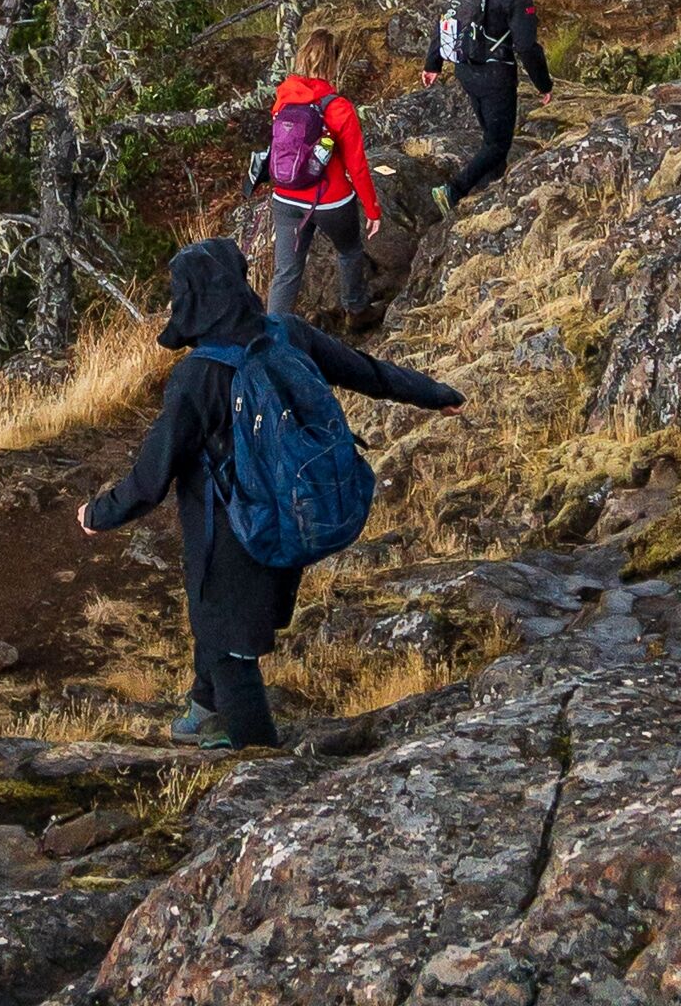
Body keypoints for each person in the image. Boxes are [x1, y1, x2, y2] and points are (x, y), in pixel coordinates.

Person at [74, 240, 462, 750]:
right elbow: (364, 372)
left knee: (230, 648)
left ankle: (260, 759)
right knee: (219, 620)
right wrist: (436, 393)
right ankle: (206, 711)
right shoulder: (286, 333)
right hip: (291, 512)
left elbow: (151, 478)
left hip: (233, 533)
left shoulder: (197, 377)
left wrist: (97, 514)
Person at [260, 28, 383, 332]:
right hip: (331, 200)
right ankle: (356, 310)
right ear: (334, 63)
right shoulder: (338, 107)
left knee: (287, 271)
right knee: (349, 250)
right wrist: (372, 209)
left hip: (286, 197)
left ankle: (271, 335)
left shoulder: (283, 98)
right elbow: (357, 166)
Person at [423, 0, 552, 216]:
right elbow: (526, 46)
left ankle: (493, 193)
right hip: (496, 75)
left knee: (490, 136)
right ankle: (453, 190)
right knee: (498, 143)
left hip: (466, 70)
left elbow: (446, 22)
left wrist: (432, 64)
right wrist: (544, 84)